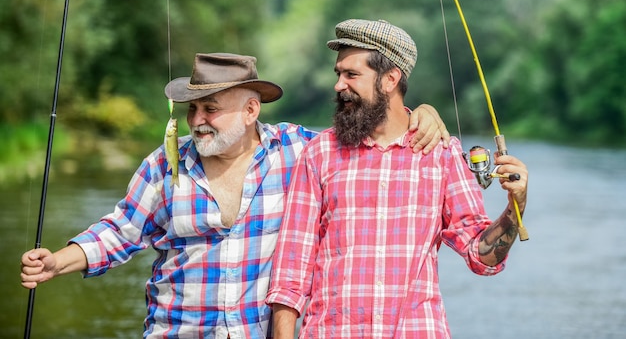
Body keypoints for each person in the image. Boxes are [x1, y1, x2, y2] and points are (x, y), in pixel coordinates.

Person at [20, 52, 450, 338]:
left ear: (250, 111)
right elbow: (119, 231)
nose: (197, 120)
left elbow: (369, 131)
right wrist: (58, 261)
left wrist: (422, 114)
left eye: (211, 108)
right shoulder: (165, 163)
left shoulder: (300, 151)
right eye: (192, 108)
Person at [266, 19, 529, 338]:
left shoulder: (441, 153)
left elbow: (482, 257)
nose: (339, 85)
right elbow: (291, 270)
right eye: (339, 74)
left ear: (390, 79)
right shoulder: (319, 153)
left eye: (352, 74)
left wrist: (516, 205)